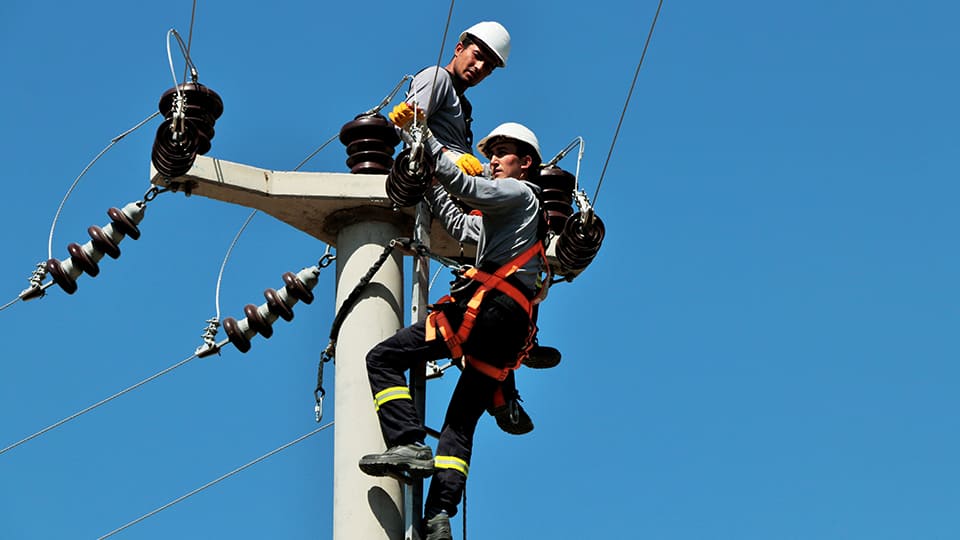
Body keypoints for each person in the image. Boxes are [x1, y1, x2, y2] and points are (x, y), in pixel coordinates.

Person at [361, 122, 549, 540]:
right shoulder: (511, 220)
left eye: (503, 154)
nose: (493, 161)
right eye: (491, 153)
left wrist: (421, 136)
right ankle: (439, 515)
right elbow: (461, 223)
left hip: (486, 315)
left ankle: (407, 441)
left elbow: (468, 188)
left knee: (383, 358)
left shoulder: (520, 194)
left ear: (526, 164)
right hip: (507, 332)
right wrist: (428, 182)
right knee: (459, 425)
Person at [392, 21, 559, 435]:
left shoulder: (462, 107)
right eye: (478, 55)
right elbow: (413, 126)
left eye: (489, 66)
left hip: (456, 195)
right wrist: (450, 160)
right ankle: (506, 387)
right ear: (460, 46)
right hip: (448, 184)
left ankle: (508, 383)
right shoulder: (435, 78)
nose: (480, 67)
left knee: (511, 278)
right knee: (500, 288)